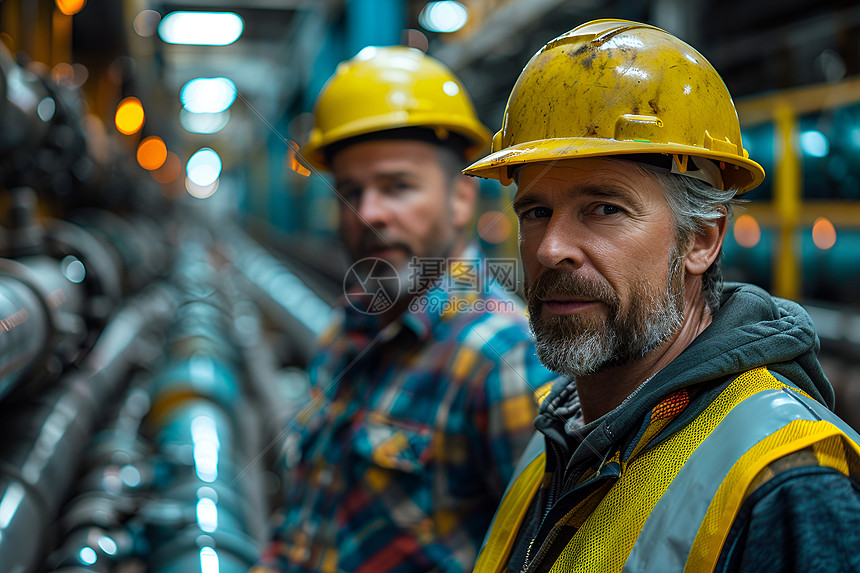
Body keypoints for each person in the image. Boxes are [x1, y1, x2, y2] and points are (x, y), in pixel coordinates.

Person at [462, 19, 860, 573]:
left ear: (701, 239)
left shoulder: (788, 480)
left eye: (604, 208)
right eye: (536, 212)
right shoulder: (561, 430)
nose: (551, 249)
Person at [252, 46, 557, 573]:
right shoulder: (349, 328)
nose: (368, 213)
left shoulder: (506, 362)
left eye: (397, 187)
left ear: (461, 198)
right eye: (351, 191)